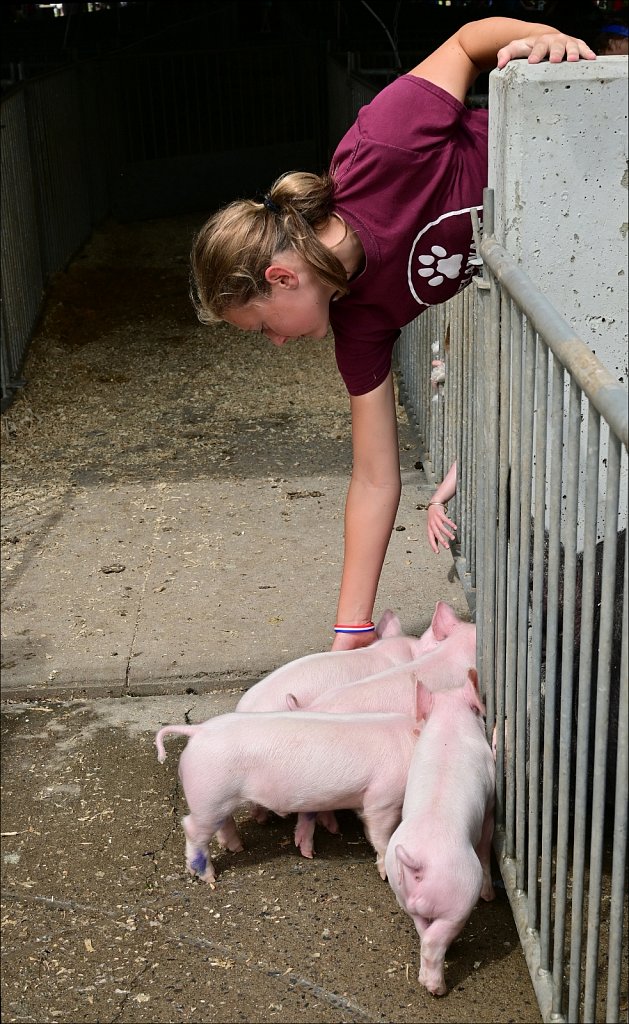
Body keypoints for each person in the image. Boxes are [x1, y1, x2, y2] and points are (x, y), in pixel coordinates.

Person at [190, 16, 596, 652]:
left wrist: (546, 36)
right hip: (583, 260)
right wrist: (351, 627)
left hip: (589, 164)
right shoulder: (359, 325)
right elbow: (375, 476)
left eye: (263, 326)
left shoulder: (380, 146)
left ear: (280, 278)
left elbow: (468, 40)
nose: (275, 343)